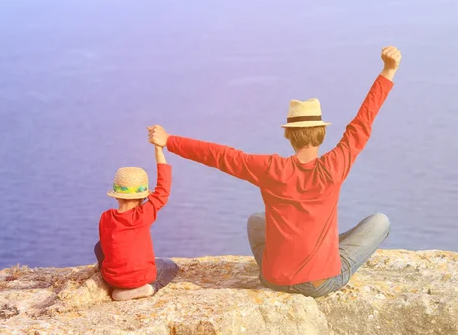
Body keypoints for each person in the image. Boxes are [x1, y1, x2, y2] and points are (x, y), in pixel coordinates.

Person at [147, 46, 402, 297]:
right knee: (380, 222)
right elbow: (362, 123)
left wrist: (169, 140)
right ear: (322, 133)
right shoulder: (335, 165)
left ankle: (307, 253)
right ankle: (321, 250)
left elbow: (220, 156)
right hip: (319, 283)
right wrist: (388, 71)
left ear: (289, 135)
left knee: (256, 221)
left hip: (274, 279)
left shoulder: (270, 169)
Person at [94, 143, 178, 301]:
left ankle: (116, 286)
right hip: (142, 277)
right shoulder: (143, 214)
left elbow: (107, 246)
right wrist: (159, 151)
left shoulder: (105, 217)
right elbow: (163, 189)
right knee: (171, 266)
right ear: (143, 196)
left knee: (99, 246)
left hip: (113, 278)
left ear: (117, 195)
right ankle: (150, 288)